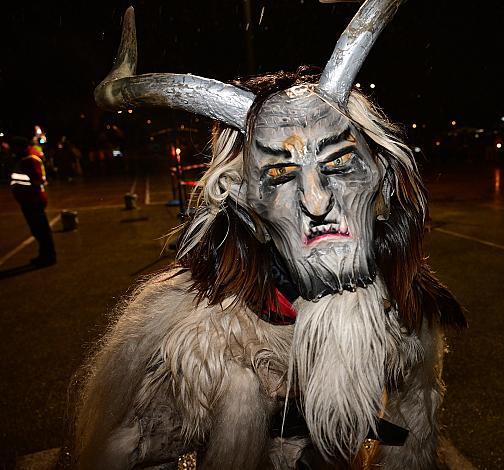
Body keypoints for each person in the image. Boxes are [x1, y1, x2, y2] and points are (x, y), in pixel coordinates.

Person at [73, 2, 466, 469]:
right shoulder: (208, 342)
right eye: (280, 173)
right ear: (241, 199)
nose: (317, 201)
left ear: (380, 173)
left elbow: (413, 427)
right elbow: (134, 450)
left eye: (339, 163)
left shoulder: (404, 310)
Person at [9, 136, 57, 267]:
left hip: (33, 200)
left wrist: (27, 191)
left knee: (40, 229)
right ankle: (45, 254)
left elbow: (38, 180)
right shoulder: (25, 158)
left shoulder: (29, 159)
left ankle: (48, 256)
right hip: (29, 199)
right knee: (38, 229)